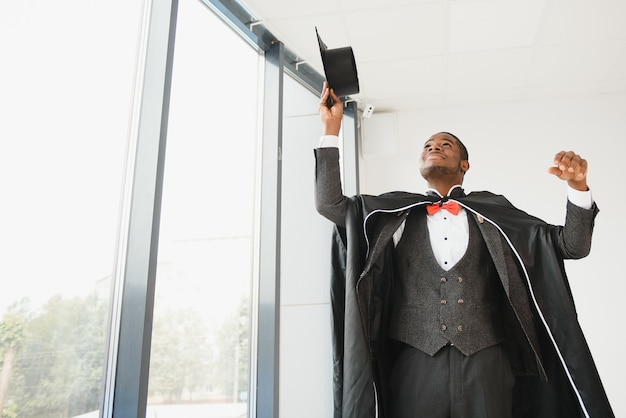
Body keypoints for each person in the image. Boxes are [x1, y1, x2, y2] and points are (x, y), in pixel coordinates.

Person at [315, 82, 613, 418]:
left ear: (465, 164)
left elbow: (572, 245)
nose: (435, 147)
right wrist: (331, 129)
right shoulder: (390, 215)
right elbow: (331, 205)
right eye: (428, 145)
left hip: (487, 367)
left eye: (446, 144)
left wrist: (577, 188)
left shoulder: (495, 212)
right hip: (414, 366)